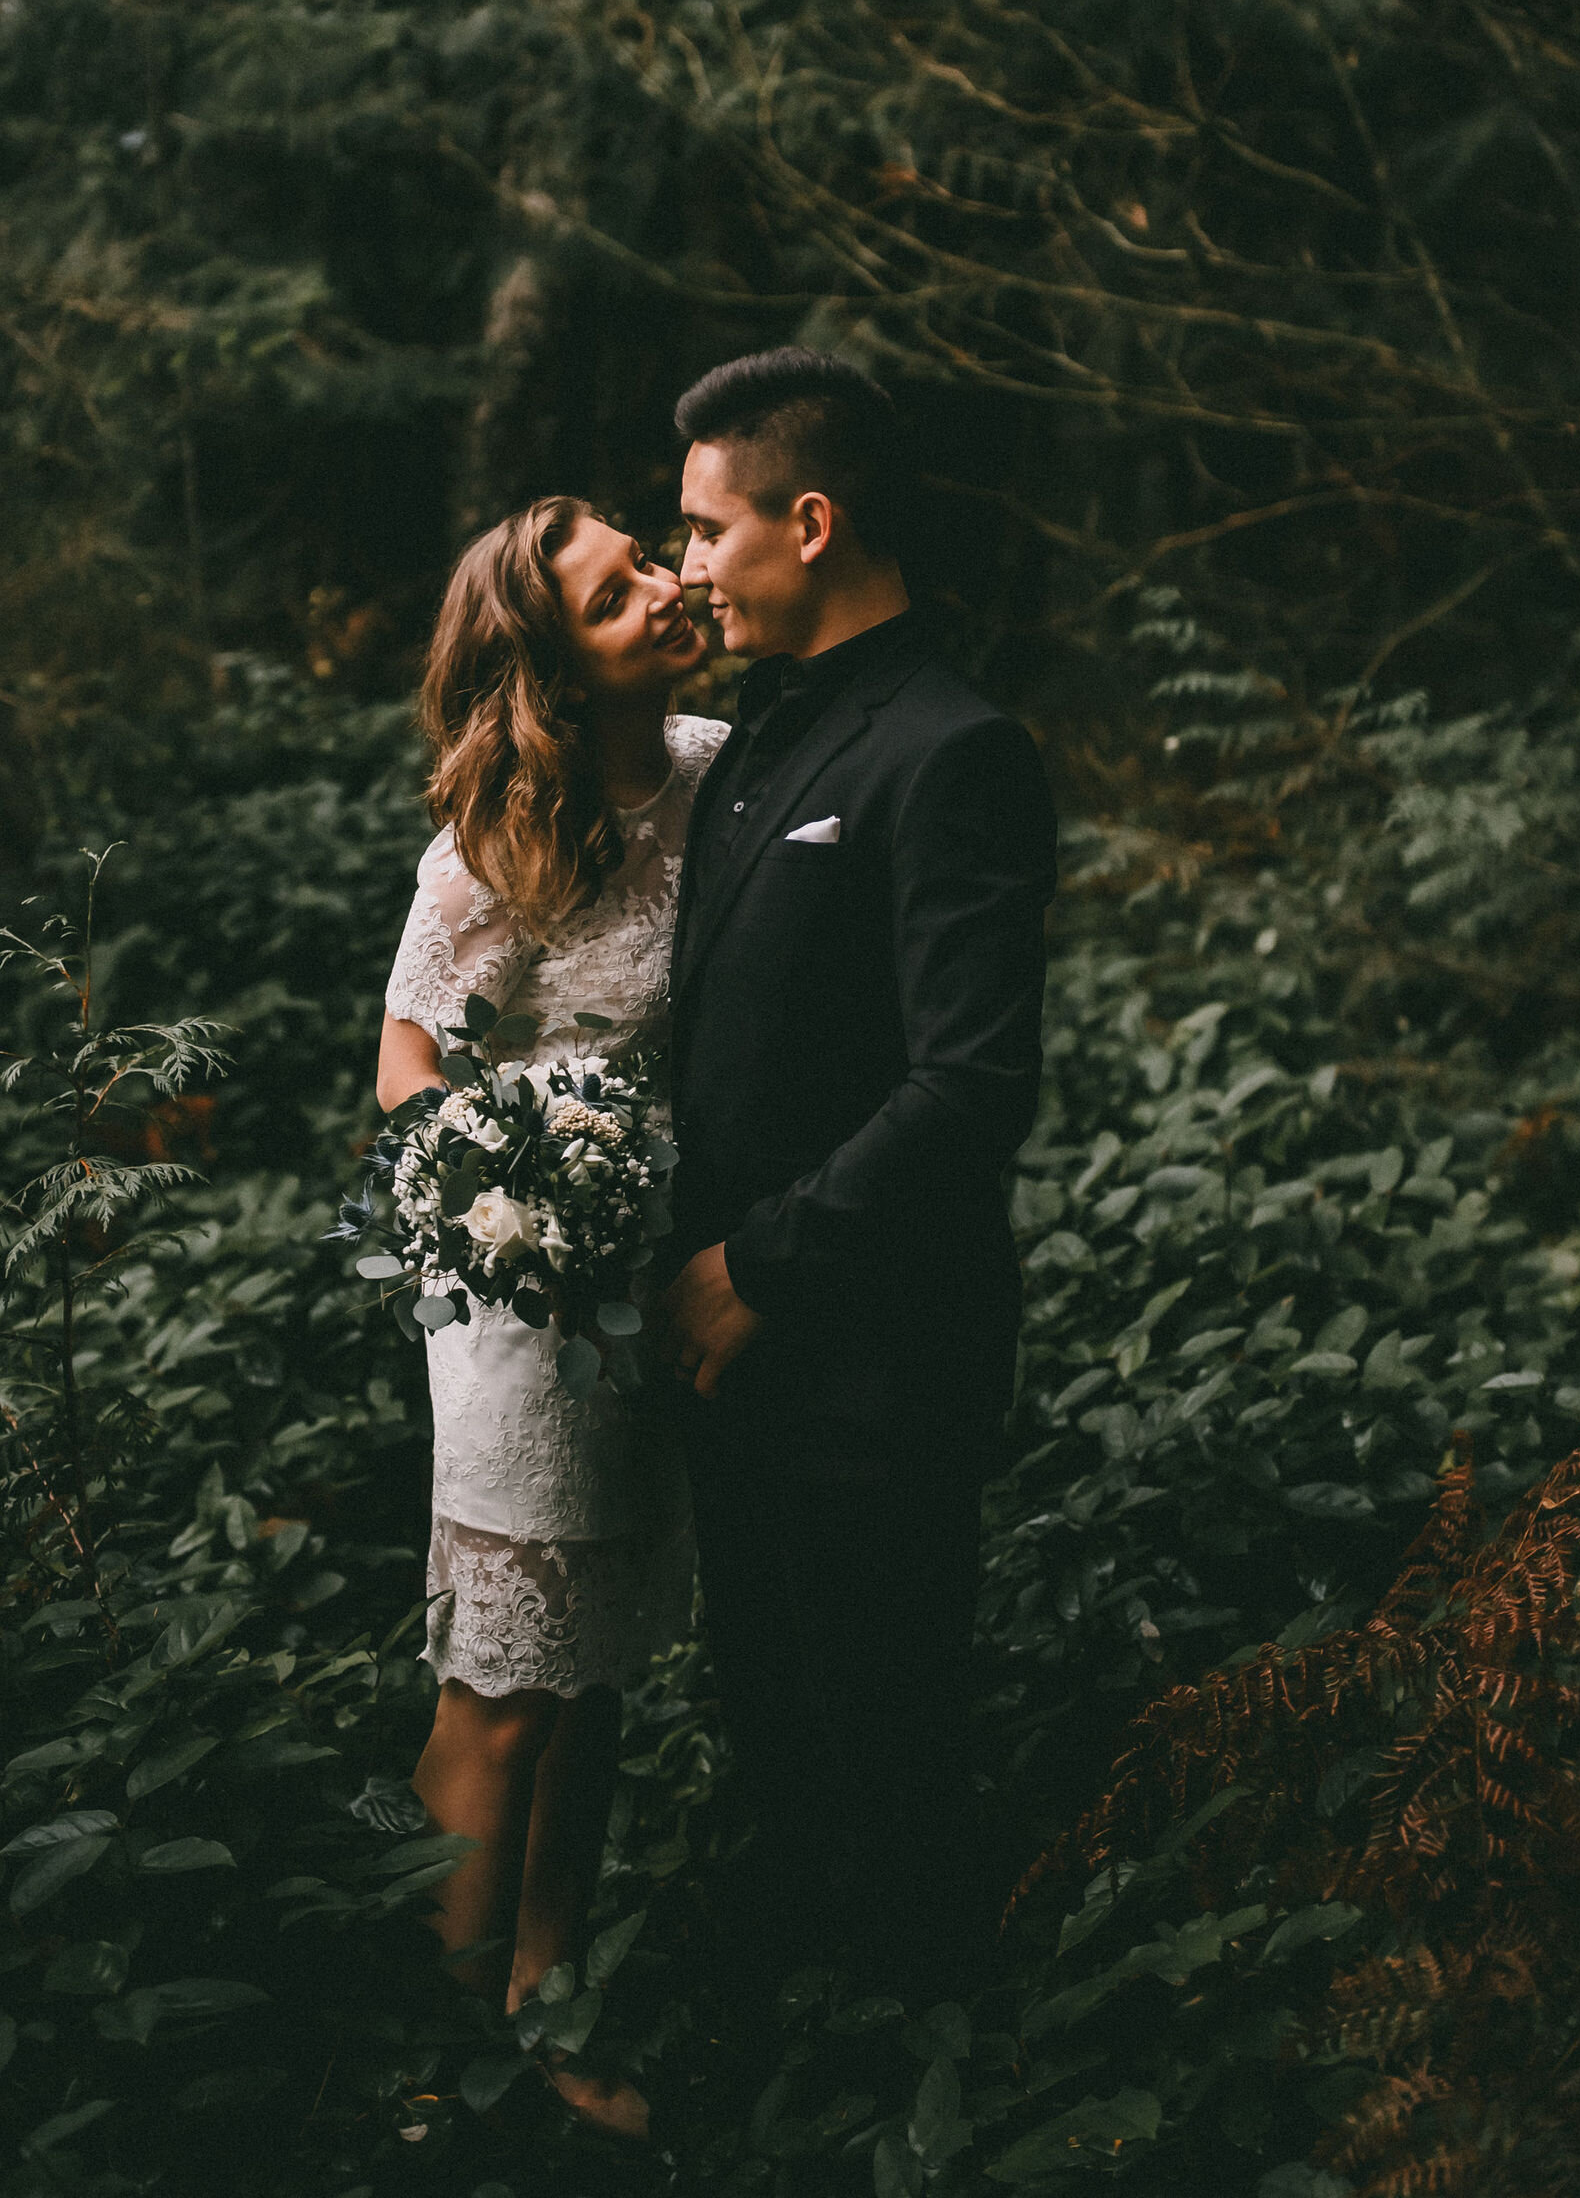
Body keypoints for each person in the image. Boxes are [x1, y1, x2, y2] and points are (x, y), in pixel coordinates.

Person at [656, 348, 1058, 1999]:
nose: (685, 566)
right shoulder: (750, 743)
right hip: (731, 1370)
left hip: (871, 1367)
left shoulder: (952, 749)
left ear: (808, 522)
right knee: (777, 1754)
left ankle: (930, 2092)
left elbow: (970, 1088)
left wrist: (760, 1268)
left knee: (886, 1777)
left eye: (703, 530)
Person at [376, 497, 726, 2144]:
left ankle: (547, 1993)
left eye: (650, 560)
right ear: (555, 672)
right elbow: (409, 1061)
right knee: (505, 1688)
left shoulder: (723, 777)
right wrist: (495, 1205)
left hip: (655, 1289)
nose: (665, 587)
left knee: (593, 1679)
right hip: (518, 1302)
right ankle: (438, 2071)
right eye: (615, 594)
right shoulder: (499, 839)